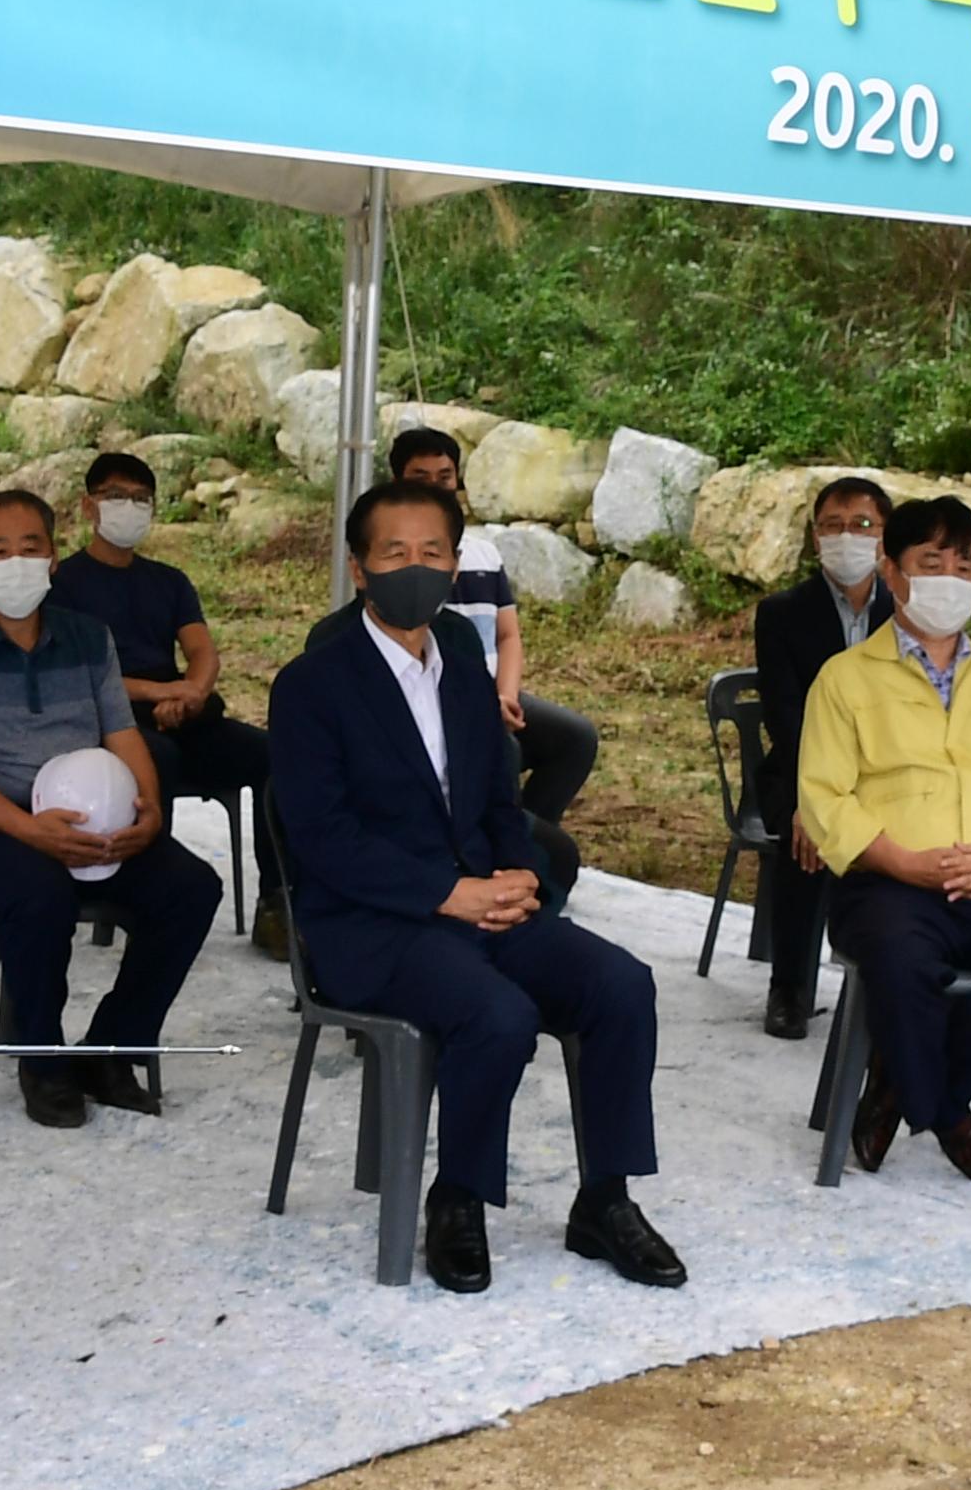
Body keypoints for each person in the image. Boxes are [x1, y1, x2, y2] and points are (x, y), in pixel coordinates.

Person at [267, 476, 684, 1296]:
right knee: (499, 1014)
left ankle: (605, 1198)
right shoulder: (312, 683)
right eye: (395, 552)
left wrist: (519, 868)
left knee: (621, 985)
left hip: (478, 906)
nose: (414, 568)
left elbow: (497, 799)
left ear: (457, 567)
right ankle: (456, 1197)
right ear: (359, 568)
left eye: (432, 553)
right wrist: (445, 894)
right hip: (371, 925)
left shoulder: (462, 665)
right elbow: (323, 839)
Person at [0, 489, 221, 1132]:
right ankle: (42, 1059)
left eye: (31, 547)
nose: (16, 562)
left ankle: (113, 1047)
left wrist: (149, 812)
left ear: (54, 558)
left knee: (192, 889)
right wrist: (30, 831)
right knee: (40, 895)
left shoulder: (88, 638)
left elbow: (123, 735)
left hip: (91, 817)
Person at [796, 495, 971, 1182]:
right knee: (899, 967)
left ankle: (903, 1086)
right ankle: (950, 1115)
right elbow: (824, 797)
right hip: (891, 884)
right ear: (892, 572)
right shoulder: (845, 679)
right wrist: (908, 864)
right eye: (932, 561)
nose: (951, 576)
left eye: (966, 563)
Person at [44, 447, 287, 948]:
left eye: (141, 499)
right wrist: (163, 692)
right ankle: (151, 903)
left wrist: (193, 693)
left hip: (182, 713)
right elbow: (77, 673)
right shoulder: (62, 584)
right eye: (116, 497)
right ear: (88, 507)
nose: (129, 508)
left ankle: (278, 906)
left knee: (273, 757)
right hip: (110, 720)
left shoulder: (168, 581)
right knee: (158, 759)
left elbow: (201, 650)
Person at [389, 427, 597, 867]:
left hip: (493, 695)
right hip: (432, 702)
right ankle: (490, 858)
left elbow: (508, 635)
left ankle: (530, 848)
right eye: (419, 477)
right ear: (397, 483)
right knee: (506, 752)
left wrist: (504, 693)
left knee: (574, 738)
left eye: (445, 477)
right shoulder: (390, 556)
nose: (435, 488)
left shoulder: (484, 554)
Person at [748, 475, 895, 1039]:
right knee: (806, 830)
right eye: (833, 526)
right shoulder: (782, 613)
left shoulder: (905, 614)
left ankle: (894, 977)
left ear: (885, 540)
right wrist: (819, 796)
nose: (847, 537)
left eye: (862, 525)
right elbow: (786, 717)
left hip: (885, 770)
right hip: (800, 765)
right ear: (815, 539)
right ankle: (790, 986)